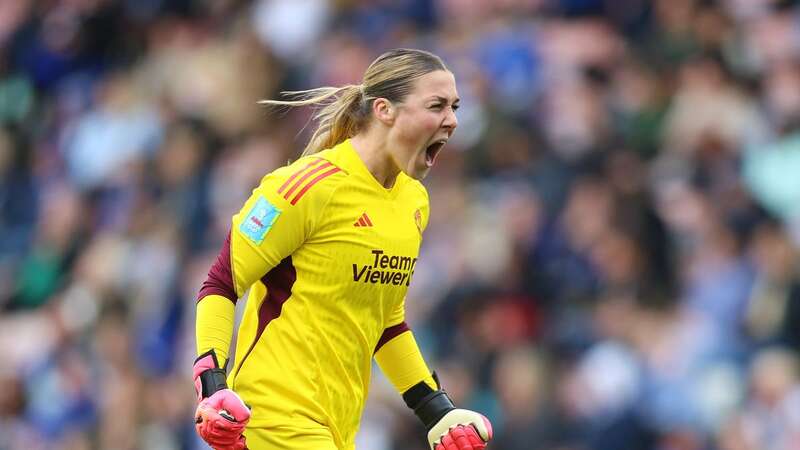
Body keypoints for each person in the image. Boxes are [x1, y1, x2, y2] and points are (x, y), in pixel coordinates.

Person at [192, 48, 493, 450]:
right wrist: (212, 385)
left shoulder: (413, 203)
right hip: (271, 419)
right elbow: (222, 282)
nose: (452, 120)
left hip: (337, 428)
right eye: (437, 105)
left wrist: (437, 410)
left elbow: (386, 321)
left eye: (455, 107)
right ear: (385, 110)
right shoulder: (306, 187)